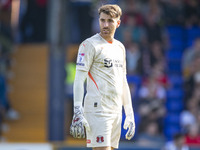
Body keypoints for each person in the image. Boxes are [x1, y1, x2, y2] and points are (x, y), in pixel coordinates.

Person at [70, 4, 135, 150]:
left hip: (116, 111)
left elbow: (123, 81)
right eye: (102, 20)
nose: (105, 24)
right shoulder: (89, 45)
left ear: (118, 23)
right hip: (98, 110)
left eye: (110, 21)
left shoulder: (120, 47)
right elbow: (79, 79)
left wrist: (129, 113)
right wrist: (77, 110)